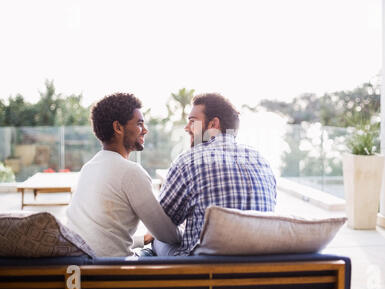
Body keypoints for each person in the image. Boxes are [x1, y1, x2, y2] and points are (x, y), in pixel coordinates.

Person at [153, 93, 277, 256]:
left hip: (206, 270)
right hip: (258, 265)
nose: (186, 128)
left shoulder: (189, 160)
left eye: (192, 121)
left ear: (213, 123)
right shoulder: (262, 160)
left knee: (157, 240)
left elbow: (161, 224)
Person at [66, 93, 181, 257]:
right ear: (118, 128)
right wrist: (189, 234)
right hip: (115, 273)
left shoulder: (89, 167)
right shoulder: (131, 172)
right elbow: (166, 234)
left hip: (83, 265)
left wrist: (142, 239)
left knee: (151, 244)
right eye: (139, 124)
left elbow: (100, 233)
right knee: (164, 247)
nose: (145, 130)